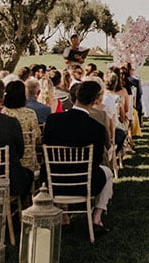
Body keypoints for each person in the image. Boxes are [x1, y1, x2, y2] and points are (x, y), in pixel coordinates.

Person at [42, 80, 114, 233]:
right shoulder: (96, 128)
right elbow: (96, 161)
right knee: (108, 173)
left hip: (53, 180)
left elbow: (45, 147)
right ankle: (97, 217)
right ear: (95, 100)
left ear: (76, 96)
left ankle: (63, 214)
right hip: (83, 182)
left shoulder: (53, 120)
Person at [2, 80, 43, 178]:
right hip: (29, 163)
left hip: (7, 163)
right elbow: (37, 139)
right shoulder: (30, 114)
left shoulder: (2, 114)